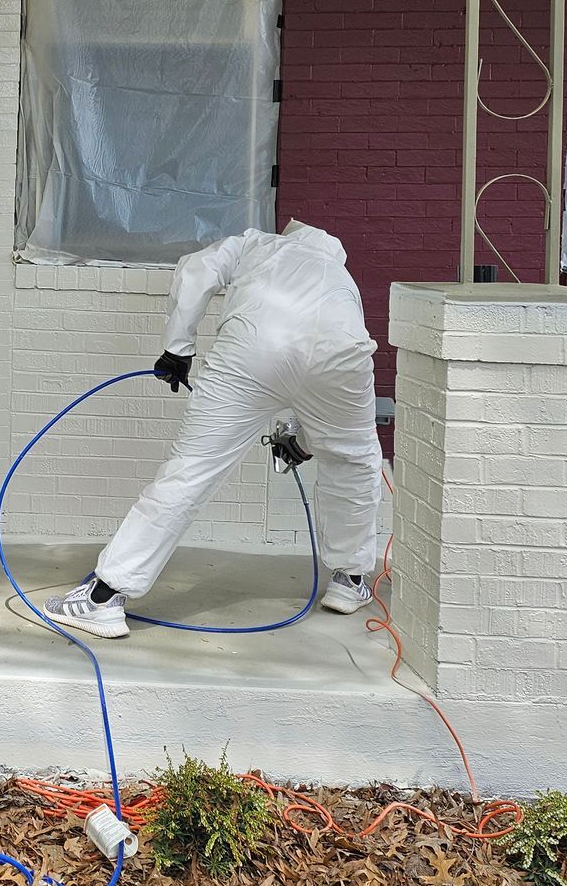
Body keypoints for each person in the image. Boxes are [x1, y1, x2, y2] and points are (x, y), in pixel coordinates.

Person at [44, 222, 383, 640]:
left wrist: (177, 348)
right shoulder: (340, 278)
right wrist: (303, 443)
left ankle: (103, 598)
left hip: (251, 350)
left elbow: (195, 271)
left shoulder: (257, 243)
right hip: (343, 354)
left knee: (192, 470)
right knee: (353, 460)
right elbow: (332, 412)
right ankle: (350, 581)